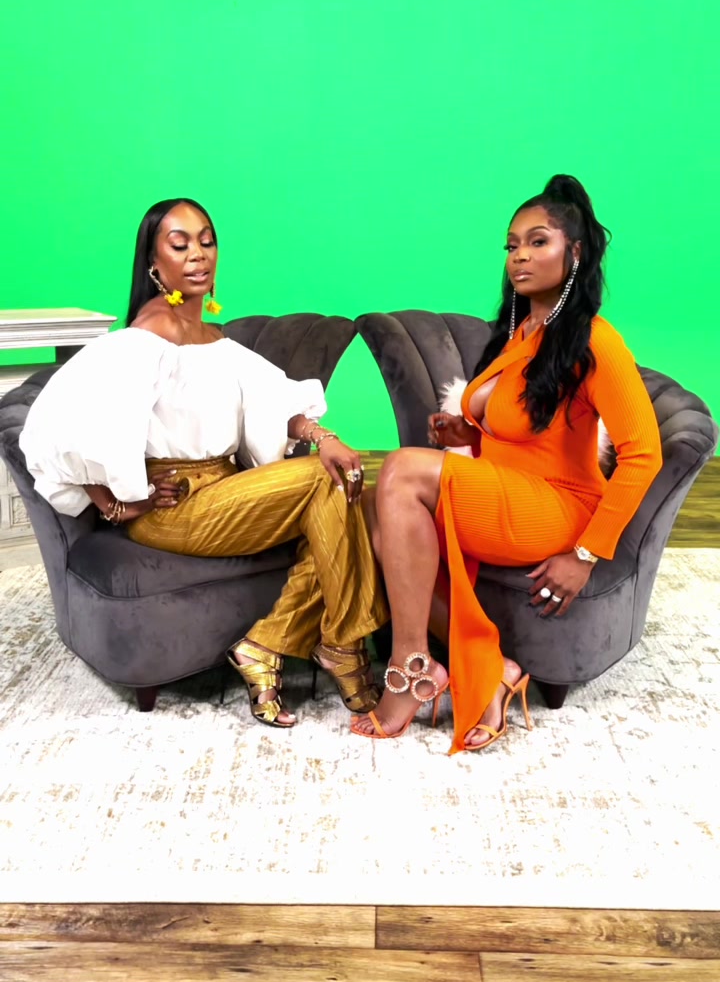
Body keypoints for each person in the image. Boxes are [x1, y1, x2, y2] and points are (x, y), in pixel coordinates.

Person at [20, 198, 387, 728]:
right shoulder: (146, 337)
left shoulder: (213, 340)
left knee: (340, 493)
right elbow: (55, 428)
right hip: (176, 505)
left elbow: (273, 401)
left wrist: (321, 435)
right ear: (154, 263)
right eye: (180, 244)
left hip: (226, 487)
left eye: (207, 241)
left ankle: (266, 645)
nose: (198, 254)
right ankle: (346, 650)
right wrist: (116, 503)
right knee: (324, 478)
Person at [354, 174, 662, 755]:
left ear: (575, 253)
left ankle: (410, 663)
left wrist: (585, 555)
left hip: (560, 506)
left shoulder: (596, 341)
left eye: (538, 241)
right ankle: (489, 666)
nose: (519, 255)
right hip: (513, 490)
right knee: (374, 508)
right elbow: (526, 431)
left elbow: (644, 453)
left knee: (400, 470)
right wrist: (467, 433)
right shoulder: (521, 334)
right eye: (512, 244)